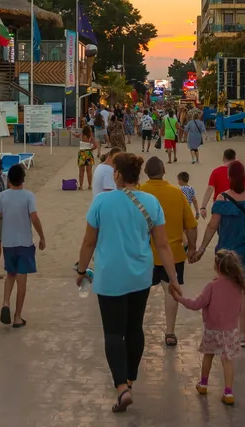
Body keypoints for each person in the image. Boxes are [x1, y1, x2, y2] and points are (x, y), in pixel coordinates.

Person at [76, 153, 182, 413]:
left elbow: (89, 242)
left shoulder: (102, 201)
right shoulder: (151, 202)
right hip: (140, 275)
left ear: (118, 175)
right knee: (134, 328)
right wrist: (173, 278)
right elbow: (162, 245)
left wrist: (81, 269)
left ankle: (122, 387)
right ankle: (131, 380)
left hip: (110, 275)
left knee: (113, 332)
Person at [192, 160, 245, 347]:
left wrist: (202, 249)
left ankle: (226, 330)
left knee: (226, 291)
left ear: (229, 177)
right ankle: (243, 334)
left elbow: (212, 227)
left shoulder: (222, 199)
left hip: (227, 254)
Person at [140, 157, 198, 346]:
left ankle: (136, 327)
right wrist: (192, 247)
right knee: (171, 290)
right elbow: (191, 225)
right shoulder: (176, 193)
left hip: (143, 252)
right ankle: (170, 332)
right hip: (172, 252)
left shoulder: (139, 192)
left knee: (140, 291)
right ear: (164, 170)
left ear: (145, 172)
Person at [176, 249, 245, 406]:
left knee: (208, 355)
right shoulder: (239, 286)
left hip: (213, 329)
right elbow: (239, 308)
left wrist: (180, 298)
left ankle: (203, 384)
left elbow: (196, 304)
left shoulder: (212, 286)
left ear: (217, 266)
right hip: (231, 330)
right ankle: (228, 392)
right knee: (228, 360)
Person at [0, 164, 46, 329]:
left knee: (10, 274)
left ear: (9, 180)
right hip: (24, 243)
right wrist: (42, 237)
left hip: (8, 243)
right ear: (23, 179)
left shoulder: (3, 196)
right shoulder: (28, 196)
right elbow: (34, 218)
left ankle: (6, 303)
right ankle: (17, 317)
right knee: (22, 279)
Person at [200, 149, 245, 215]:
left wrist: (203, 207)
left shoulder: (216, 172)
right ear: (234, 158)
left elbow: (210, 189)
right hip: (236, 205)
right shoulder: (238, 171)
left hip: (220, 205)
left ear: (223, 158)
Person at [71, 124, 98, 190]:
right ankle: (90, 185)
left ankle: (81, 186)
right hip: (88, 153)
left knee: (81, 171)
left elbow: (75, 134)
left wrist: (70, 130)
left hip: (82, 153)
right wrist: (90, 149)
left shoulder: (81, 135)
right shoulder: (90, 137)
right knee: (89, 171)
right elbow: (95, 146)